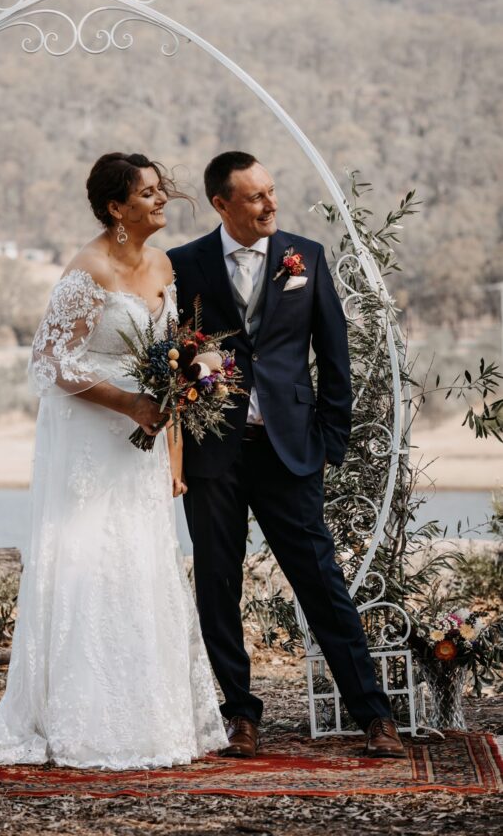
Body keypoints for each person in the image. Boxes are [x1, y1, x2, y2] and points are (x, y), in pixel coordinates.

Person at [0, 152, 228, 769]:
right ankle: (81, 718)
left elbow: (172, 364)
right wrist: (127, 402)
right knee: (85, 557)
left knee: (139, 560)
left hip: (143, 444)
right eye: (149, 193)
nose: (161, 200)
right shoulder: (88, 269)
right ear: (115, 207)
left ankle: (147, 716)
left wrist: (173, 452)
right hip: (90, 437)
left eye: (162, 191)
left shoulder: (161, 264)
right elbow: (49, 363)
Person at [167, 151, 406, 760]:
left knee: (320, 582)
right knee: (218, 585)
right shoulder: (183, 265)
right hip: (213, 455)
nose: (271, 204)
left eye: (272, 192)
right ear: (222, 204)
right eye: (255, 197)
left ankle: (373, 715)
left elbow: (335, 357)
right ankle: (240, 716)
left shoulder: (307, 256)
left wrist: (330, 441)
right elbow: (170, 358)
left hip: (290, 452)